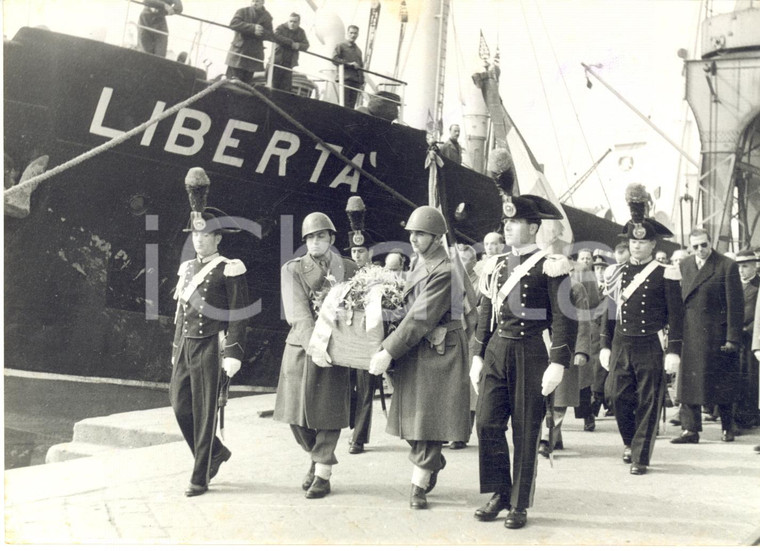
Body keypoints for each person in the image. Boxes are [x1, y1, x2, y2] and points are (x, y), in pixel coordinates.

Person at [469, 192, 577, 529]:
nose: (508, 228)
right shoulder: (497, 264)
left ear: (533, 227)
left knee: (526, 430)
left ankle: (519, 503)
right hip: (497, 351)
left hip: (530, 352)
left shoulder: (551, 264)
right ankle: (500, 491)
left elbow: (564, 318)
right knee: (486, 422)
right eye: (506, 221)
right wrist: (477, 353)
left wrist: (558, 362)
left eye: (515, 222)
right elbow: (486, 311)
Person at [367, 206, 471, 510]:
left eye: (420, 234)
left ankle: (419, 484)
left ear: (436, 237)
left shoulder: (444, 270)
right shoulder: (421, 263)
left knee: (428, 419)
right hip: (420, 348)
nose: (413, 239)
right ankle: (431, 462)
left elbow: (420, 318)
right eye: (411, 233)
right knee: (416, 420)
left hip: (440, 349)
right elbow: (409, 310)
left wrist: (388, 349)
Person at [171, 167, 250, 497]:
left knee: (204, 413)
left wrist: (232, 352)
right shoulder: (187, 267)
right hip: (186, 345)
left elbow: (239, 314)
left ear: (218, 238)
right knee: (179, 405)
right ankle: (215, 452)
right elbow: (180, 311)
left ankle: (200, 475)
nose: (199, 240)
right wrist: (175, 347)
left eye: (205, 236)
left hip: (211, 346)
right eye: (195, 235)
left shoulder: (230, 267)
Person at [273, 211, 358, 498]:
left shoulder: (348, 267)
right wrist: (314, 345)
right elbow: (297, 313)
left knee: (330, 413)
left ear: (331, 238)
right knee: (296, 416)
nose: (315, 243)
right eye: (310, 238)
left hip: (337, 349)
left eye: (321, 236)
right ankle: (315, 455)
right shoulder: (293, 270)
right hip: (301, 346)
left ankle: (323, 472)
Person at [599, 183, 683, 475]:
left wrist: (674, 350)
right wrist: (605, 344)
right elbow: (610, 311)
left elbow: (677, 315)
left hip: (649, 343)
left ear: (652, 245)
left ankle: (640, 456)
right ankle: (628, 441)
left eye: (642, 241)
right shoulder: (616, 273)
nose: (635, 245)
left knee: (649, 400)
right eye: (632, 241)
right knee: (617, 396)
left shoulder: (666, 273)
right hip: (622, 341)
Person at [671, 228, 743, 445]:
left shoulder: (726, 265)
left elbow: (735, 305)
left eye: (704, 244)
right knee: (688, 384)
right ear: (689, 248)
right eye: (695, 246)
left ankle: (728, 427)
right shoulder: (684, 266)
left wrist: (732, 338)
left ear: (710, 242)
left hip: (717, 335)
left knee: (722, 383)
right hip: (690, 333)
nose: (700, 250)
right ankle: (690, 430)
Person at [342, 196, 380, 455]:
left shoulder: (378, 275)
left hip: (369, 338)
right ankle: (354, 429)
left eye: (361, 251)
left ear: (370, 253)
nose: (357, 256)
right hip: (347, 338)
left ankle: (359, 438)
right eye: (354, 252)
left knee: (366, 388)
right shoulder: (342, 273)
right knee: (350, 388)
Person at [736, 250, 760, 428]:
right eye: (739, 266)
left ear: (755, 266)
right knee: (738, 376)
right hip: (736, 339)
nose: (741, 270)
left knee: (752, 377)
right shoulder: (733, 285)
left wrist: (748, 329)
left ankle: (752, 415)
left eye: (745, 266)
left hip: (752, 338)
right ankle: (739, 416)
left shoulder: (758, 286)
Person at [226, 0, 274, 85]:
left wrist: (261, 32)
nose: (254, 3)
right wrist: (252, 28)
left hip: (252, 57)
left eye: (257, 1)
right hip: (238, 54)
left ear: (263, 2)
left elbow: (269, 34)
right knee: (231, 84)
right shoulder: (242, 11)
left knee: (246, 86)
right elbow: (233, 24)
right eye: (253, 1)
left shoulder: (267, 17)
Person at [272, 13, 309, 93]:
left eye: (295, 22)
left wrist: (299, 45)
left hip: (289, 64)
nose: (292, 24)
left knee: (286, 89)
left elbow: (306, 45)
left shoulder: (301, 32)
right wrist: (291, 43)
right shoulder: (281, 28)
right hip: (276, 62)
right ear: (288, 21)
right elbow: (275, 36)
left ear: (299, 23)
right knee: (273, 86)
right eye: (291, 21)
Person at [332, 25, 364, 108]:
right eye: (351, 33)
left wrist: (362, 81)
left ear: (358, 35)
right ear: (347, 33)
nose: (353, 35)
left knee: (351, 107)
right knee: (344, 104)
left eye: (355, 33)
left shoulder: (358, 51)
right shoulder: (340, 46)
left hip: (355, 82)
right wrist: (349, 64)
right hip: (345, 79)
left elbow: (361, 66)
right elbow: (334, 59)